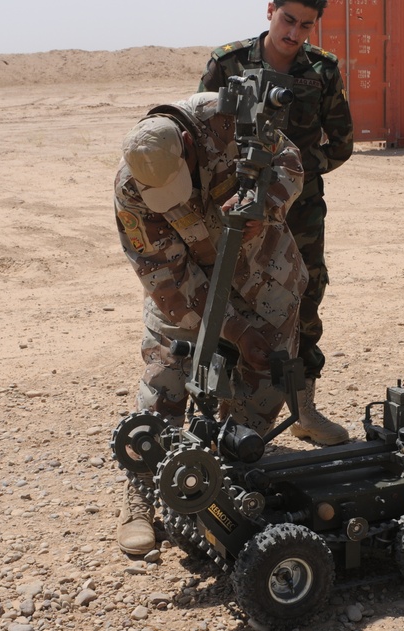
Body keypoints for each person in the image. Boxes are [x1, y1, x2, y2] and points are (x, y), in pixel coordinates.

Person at [113, 91, 307, 555]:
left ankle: (225, 482)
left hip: (265, 272)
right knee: (165, 382)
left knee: (268, 377)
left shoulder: (228, 118)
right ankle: (142, 496)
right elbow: (166, 277)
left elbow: (291, 163)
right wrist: (232, 329)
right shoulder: (132, 186)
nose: (168, 202)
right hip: (188, 286)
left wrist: (267, 204)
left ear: (185, 142)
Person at [199, 0, 354, 445]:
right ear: (270, 10)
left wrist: (294, 171)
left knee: (305, 295)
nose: (295, 33)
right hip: (237, 207)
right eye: (288, 20)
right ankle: (228, 415)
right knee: (231, 297)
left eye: (306, 25)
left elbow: (341, 144)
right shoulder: (228, 63)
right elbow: (201, 128)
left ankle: (303, 409)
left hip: (299, 211)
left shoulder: (322, 71)